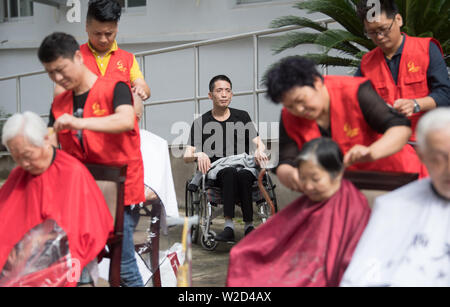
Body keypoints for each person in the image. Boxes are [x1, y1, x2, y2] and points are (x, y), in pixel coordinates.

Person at [39, 32, 145, 287]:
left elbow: (125, 120)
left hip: (120, 193)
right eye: (51, 73)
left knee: (124, 268)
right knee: (76, 263)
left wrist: (79, 122)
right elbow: (51, 141)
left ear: (78, 57)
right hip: (80, 196)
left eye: (61, 70)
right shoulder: (60, 101)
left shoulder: (114, 87)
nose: (58, 78)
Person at [264, 56, 426, 193]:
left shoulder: (354, 91)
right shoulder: (289, 116)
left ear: (316, 82)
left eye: (301, 100)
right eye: (290, 106)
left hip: (397, 179)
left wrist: (372, 152)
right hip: (348, 188)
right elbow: (286, 159)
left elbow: (400, 128)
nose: (298, 109)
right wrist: (289, 174)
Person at [227, 138, 371, 286]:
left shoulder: (353, 205)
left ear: (338, 173)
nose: (308, 186)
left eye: (315, 179)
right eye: (303, 178)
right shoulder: (307, 202)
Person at [0, 112, 113, 287]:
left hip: (58, 257)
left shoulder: (72, 172)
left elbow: (79, 231)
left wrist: (38, 241)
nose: (24, 164)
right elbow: (5, 218)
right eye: (17, 158)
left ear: (45, 140)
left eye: (28, 155)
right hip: (20, 259)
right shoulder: (18, 174)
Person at [340, 108, 450, 287]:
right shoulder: (393, 207)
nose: (448, 169)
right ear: (422, 156)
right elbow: (361, 276)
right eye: (439, 159)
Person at [184, 75, 268, 242]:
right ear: (210, 95)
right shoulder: (201, 122)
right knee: (229, 172)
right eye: (219, 90)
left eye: (227, 91)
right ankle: (229, 226)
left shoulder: (242, 116)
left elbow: (261, 144)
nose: (224, 94)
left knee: (243, 174)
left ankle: (249, 226)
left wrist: (260, 150)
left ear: (231, 95)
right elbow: (187, 156)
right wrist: (198, 154)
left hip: (244, 165)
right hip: (219, 170)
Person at [356, 0, 450, 142]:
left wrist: (416, 104)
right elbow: (355, 98)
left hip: (425, 142)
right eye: (372, 33)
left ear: (398, 20)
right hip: (387, 144)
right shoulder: (366, 63)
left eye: (383, 29)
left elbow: (445, 94)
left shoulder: (426, 49)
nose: (379, 37)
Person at [53, 0, 151, 120]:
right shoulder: (74, 57)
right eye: (97, 34)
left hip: (119, 128)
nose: (103, 39)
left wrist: (140, 89)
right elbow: (60, 94)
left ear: (116, 28)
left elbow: (144, 87)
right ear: (86, 27)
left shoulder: (128, 58)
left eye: (108, 34)